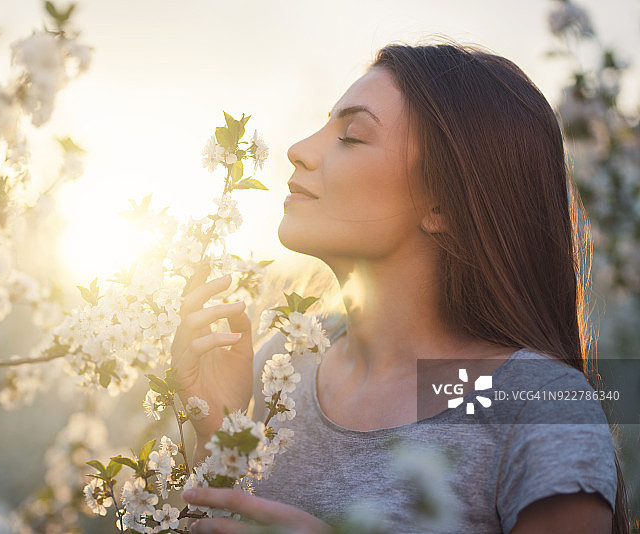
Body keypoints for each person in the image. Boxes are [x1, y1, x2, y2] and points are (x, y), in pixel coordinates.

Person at [171, 43, 628, 533]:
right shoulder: (283, 364)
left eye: (350, 136)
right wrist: (220, 436)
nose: (298, 149)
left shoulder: (542, 405)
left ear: (444, 206)